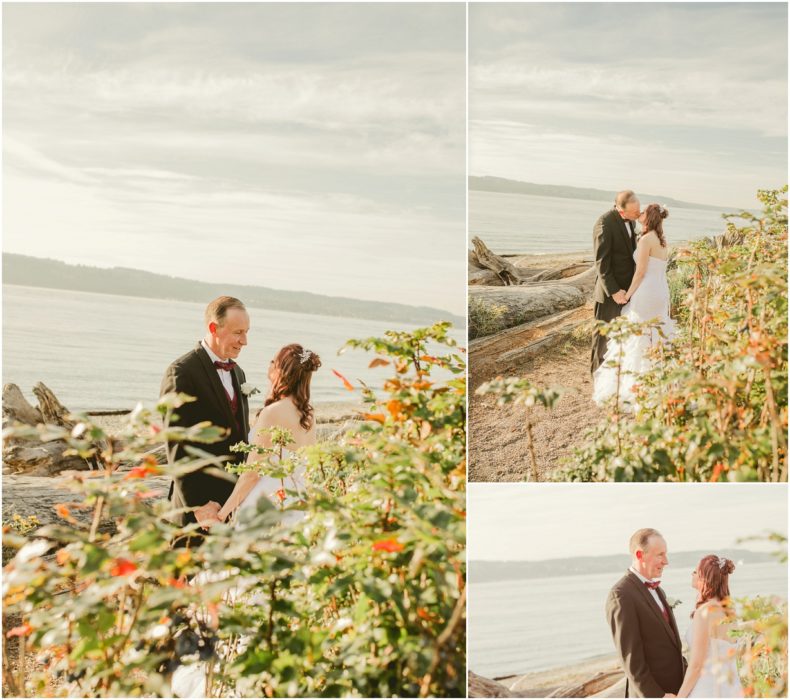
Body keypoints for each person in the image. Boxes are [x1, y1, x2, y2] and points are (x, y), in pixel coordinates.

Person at [199, 343, 322, 525]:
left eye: (273, 361)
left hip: (266, 503)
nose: (269, 365)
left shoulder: (273, 412)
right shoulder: (309, 416)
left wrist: (222, 514)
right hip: (295, 505)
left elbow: (252, 474)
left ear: (281, 370)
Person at [160, 296, 251, 542]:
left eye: (246, 332)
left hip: (230, 505)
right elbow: (177, 444)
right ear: (214, 328)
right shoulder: (182, 372)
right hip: (196, 508)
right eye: (238, 333)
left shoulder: (239, 374)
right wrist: (198, 505)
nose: (244, 341)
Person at [592, 203, 677, 408]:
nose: (640, 213)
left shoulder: (647, 239)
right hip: (660, 292)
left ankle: (637, 385)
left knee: (638, 336)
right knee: (656, 334)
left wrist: (627, 295)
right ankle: (659, 381)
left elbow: (640, 273)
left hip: (646, 291)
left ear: (649, 217)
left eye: (644, 211)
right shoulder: (661, 240)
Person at [606, 528, 687, 698]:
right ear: (639, 555)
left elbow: (670, 647)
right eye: (660, 555)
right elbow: (631, 660)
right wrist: (658, 696)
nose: (666, 561)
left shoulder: (659, 591)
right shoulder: (621, 595)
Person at [677, 555, 744, 698]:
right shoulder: (730, 611)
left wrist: (680, 696)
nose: (692, 574)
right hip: (731, 688)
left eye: (695, 571)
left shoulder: (705, 612)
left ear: (704, 578)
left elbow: (696, 666)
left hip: (708, 689)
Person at [591, 190, 641, 374]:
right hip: (609, 294)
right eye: (635, 212)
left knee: (619, 338)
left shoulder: (632, 220)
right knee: (603, 339)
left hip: (627, 293)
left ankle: (613, 378)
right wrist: (614, 291)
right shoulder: (604, 223)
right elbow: (601, 263)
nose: (638, 214)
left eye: (639, 210)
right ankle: (597, 377)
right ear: (621, 210)